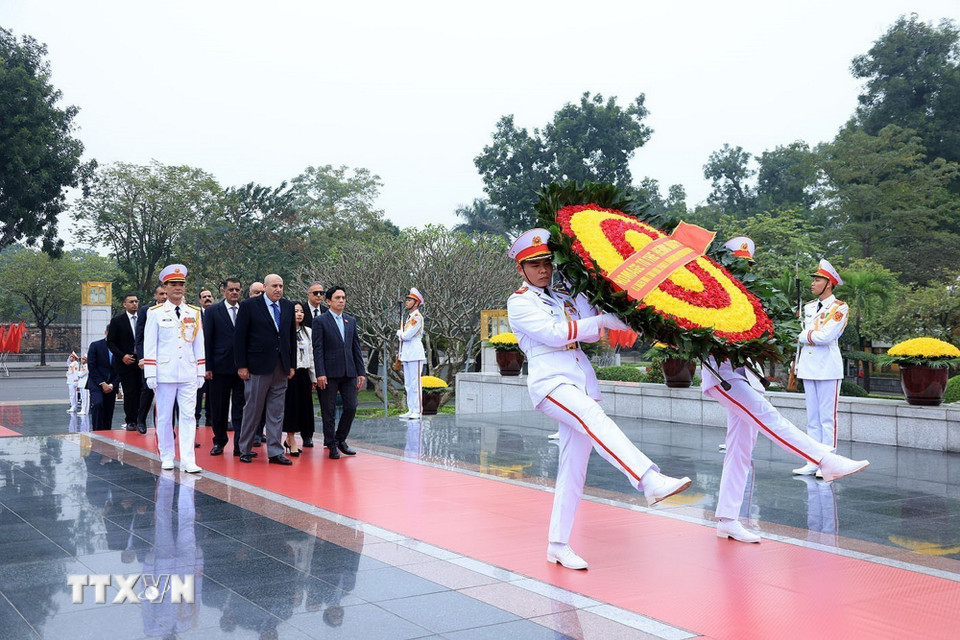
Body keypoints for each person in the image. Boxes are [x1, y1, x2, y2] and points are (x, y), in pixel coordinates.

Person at [506, 228, 691, 570]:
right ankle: (648, 480)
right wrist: (600, 321)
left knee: (573, 470)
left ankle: (558, 545)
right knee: (593, 417)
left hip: (580, 381)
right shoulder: (519, 301)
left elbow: (600, 312)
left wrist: (639, 305)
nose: (543, 270)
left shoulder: (564, 296)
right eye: (534, 265)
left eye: (547, 262)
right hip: (552, 383)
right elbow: (554, 334)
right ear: (521, 268)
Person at [142, 264, 205, 473]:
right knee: (165, 416)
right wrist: (150, 372)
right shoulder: (156, 313)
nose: (178, 288)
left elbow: (198, 343)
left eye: (181, 284)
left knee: (189, 417)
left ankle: (188, 460)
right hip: (165, 373)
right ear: (165, 287)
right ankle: (167, 455)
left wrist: (200, 370)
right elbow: (150, 344)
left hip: (187, 371)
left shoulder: (193, 312)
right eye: (173, 284)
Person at [793, 258, 849, 477]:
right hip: (808, 366)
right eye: (814, 280)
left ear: (829, 284)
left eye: (818, 280)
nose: (813, 283)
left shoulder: (839, 308)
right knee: (812, 418)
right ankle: (813, 460)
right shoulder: (807, 307)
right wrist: (805, 336)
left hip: (827, 367)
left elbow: (826, 337)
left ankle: (829, 461)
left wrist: (804, 335)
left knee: (827, 418)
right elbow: (800, 333)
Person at [234, 273, 296, 465]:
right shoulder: (249, 306)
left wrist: (292, 364)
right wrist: (242, 365)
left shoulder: (287, 306)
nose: (278, 289)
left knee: (276, 412)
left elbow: (290, 337)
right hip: (257, 367)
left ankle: (275, 451)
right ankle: (244, 448)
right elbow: (240, 337)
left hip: (281, 366)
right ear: (265, 287)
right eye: (274, 286)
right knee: (253, 409)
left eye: (281, 286)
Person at [312, 285, 365, 460]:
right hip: (328, 372)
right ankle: (331, 444)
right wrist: (320, 373)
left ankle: (340, 439)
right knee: (328, 411)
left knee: (351, 407)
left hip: (349, 372)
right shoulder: (320, 321)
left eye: (343, 297)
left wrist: (361, 371)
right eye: (337, 298)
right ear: (328, 301)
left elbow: (355, 347)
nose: (341, 300)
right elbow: (317, 349)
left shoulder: (351, 321)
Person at [203, 278, 245, 456]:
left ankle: (240, 445)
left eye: (237, 290)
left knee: (240, 408)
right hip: (219, 368)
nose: (234, 292)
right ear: (224, 292)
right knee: (218, 408)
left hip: (242, 368)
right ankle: (219, 441)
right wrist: (208, 366)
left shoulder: (247, 310)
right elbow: (207, 339)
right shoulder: (213, 311)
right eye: (231, 290)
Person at [283, 302, 316, 456]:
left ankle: (291, 440)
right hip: (290, 374)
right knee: (291, 408)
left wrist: (313, 377)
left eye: (301, 311)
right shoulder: (285, 330)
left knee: (304, 408)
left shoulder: (308, 331)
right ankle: (291, 438)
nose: (299, 314)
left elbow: (311, 355)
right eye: (296, 311)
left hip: (304, 374)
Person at [134, 284, 167, 434]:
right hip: (149, 358)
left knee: (167, 394)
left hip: (167, 359)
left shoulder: (172, 309)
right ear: (155, 296)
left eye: (166, 294)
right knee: (147, 391)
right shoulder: (146, 310)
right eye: (161, 294)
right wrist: (142, 358)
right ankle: (141, 420)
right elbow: (139, 337)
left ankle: (164, 427)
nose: (164, 297)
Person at [106, 293, 142, 431]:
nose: (134, 304)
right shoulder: (117, 321)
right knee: (130, 391)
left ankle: (141, 419)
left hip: (142, 361)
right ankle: (131, 420)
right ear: (124, 304)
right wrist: (122, 356)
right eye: (131, 302)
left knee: (142, 391)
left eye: (136, 301)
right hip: (125, 362)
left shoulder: (143, 319)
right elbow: (111, 342)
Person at [397, 287, 426, 420]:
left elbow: (407, 336)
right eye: (407, 300)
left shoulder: (417, 317)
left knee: (415, 383)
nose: (407, 302)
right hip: (407, 353)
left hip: (415, 353)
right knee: (408, 384)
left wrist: (400, 334)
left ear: (416, 303)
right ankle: (411, 409)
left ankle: (418, 410)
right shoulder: (409, 317)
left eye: (410, 300)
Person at [87, 330, 120, 430]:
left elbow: (122, 369)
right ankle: (97, 432)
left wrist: (112, 384)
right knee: (97, 404)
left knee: (108, 411)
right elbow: (92, 366)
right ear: (106, 332)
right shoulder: (95, 346)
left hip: (112, 385)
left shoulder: (121, 348)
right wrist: (102, 383)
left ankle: (107, 434)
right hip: (97, 383)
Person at [194, 289, 215, 428]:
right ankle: (195, 418)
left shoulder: (218, 312)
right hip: (198, 360)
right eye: (204, 297)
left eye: (209, 296)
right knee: (198, 391)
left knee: (213, 392)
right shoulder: (194, 314)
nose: (207, 298)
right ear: (200, 300)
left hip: (215, 359)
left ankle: (211, 418)